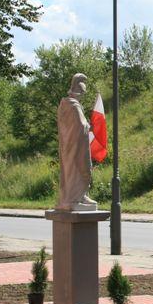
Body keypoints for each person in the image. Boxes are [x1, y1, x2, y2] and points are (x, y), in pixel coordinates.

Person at [55, 73, 97, 212]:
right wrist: (90, 126)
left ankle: (78, 196)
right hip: (77, 145)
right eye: (81, 94)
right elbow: (81, 125)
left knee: (70, 171)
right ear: (77, 92)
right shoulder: (74, 106)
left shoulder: (63, 105)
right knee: (83, 168)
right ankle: (77, 197)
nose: (81, 97)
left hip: (67, 146)